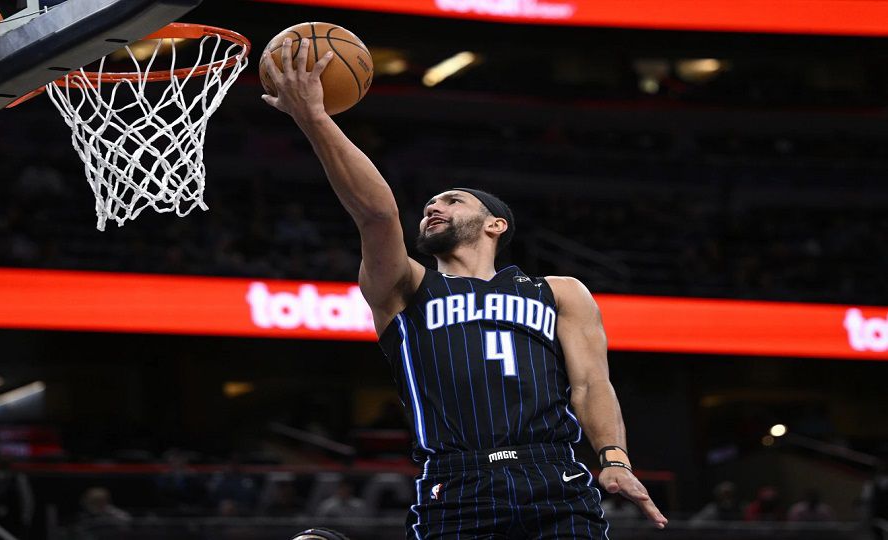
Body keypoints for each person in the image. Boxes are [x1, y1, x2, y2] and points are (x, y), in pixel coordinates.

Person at [262, 38, 667, 538]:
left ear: (496, 224)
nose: (433, 208)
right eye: (429, 205)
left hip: (553, 474)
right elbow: (377, 214)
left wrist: (614, 458)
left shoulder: (561, 292)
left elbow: (590, 385)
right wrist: (315, 119)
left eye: (452, 201)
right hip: (456, 481)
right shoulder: (407, 287)